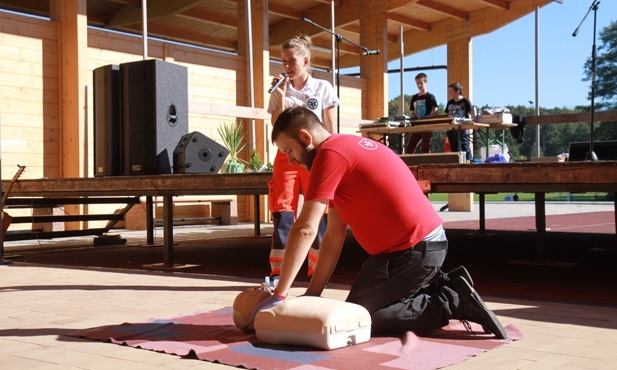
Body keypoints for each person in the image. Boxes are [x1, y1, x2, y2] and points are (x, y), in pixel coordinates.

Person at [249, 106, 507, 340]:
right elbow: (334, 234)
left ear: (306, 138)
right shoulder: (341, 148)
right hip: (407, 250)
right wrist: (313, 293)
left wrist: (279, 296)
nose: (291, 161)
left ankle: (451, 301)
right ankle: (440, 289)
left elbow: (306, 228)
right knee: (353, 313)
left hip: (414, 251)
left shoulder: (329, 155)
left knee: (359, 319)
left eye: (289, 151)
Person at [266, 34, 340, 283]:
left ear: (305, 60)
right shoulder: (279, 89)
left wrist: (332, 156)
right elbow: (276, 125)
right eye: (283, 61)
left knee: (317, 210)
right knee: (282, 208)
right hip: (286, 156)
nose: (287, 66)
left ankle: (316, 270)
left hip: (313, 156)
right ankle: (279, 270)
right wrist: (282, 95)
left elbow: (330, 126)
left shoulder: (323, 88)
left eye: (291, 60)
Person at [405, 73, 439, 154]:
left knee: (425, 148)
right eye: (417, 83)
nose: (419, 85)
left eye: (421, 83)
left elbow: (436, 113)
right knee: (410, 148)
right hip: (417, 125)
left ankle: (427, 165)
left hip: (426, 126)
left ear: (426, 82)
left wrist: (426, 118)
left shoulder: (430, 97)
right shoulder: (414, 97)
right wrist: (411, 118)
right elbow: (413, 112)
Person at [445, 82, 473, 161]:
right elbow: (447, 114)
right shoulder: (450, 102)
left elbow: (471, 114)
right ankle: (457, 161)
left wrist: (469, 125)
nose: (450, 93)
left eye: (451, 91)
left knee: (464, 146)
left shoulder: (465, 101)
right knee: (454, 147)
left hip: (462, 127)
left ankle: (469, 161)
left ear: (457, 91)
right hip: (452, 127)